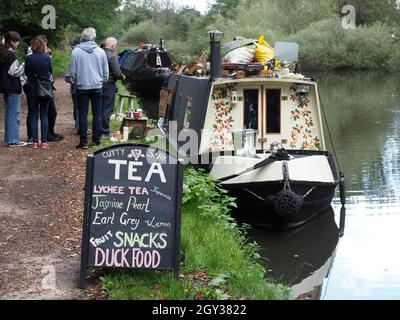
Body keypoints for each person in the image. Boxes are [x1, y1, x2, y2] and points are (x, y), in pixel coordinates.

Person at [68, 27, 109, 149]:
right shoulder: (101, 52)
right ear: (94, 37)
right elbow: (105, 73)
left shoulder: (76, 51)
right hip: (97, 86)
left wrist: (76, 82)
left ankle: (83, 141)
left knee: (82, 114)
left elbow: (72, 72)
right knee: (97, 114)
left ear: (82, 37)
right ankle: (96, 140)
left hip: (82, 87)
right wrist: (101, 81)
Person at [24, 38, 53, 149]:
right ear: (42, 46)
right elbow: (50, 71)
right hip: (45, 88)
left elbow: (26, 73)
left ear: (32, 47)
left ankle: (35, 142)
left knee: (33, 114)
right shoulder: (47, 57)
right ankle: (44, 142)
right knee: (44, 114)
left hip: (31, 87)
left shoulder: (28, 58)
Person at [0, 31, 27, 147]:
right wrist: (25, 64)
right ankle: (13, 140)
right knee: (13, 114)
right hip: (12, 86)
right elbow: (14, 72)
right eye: (17, 41)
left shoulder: (3, 52)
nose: (18, 43)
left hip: (5, 86)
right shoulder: (11, 54)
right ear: (11, 42)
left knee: (9, 113)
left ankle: (9, 139)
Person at [36, 35, 64, 142]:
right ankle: (48, 134)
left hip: (46, 85)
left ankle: (50, 132)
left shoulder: (45, 54)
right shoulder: (41, 55)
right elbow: (49, 70)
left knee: (49, 111)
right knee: (50, 111)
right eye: (45, 44)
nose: (47, 47)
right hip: (43, 86)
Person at [101, 37, 125, 139]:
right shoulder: (111, 56)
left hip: (99, 84)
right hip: (109, 85)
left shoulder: (100, 53)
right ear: (113, 46)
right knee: (107, 109)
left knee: (99, 108)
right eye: (115, 45)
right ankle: (105, 132)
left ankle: (98, 130)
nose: (116, 47)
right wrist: (123, 76)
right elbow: (117, 73)